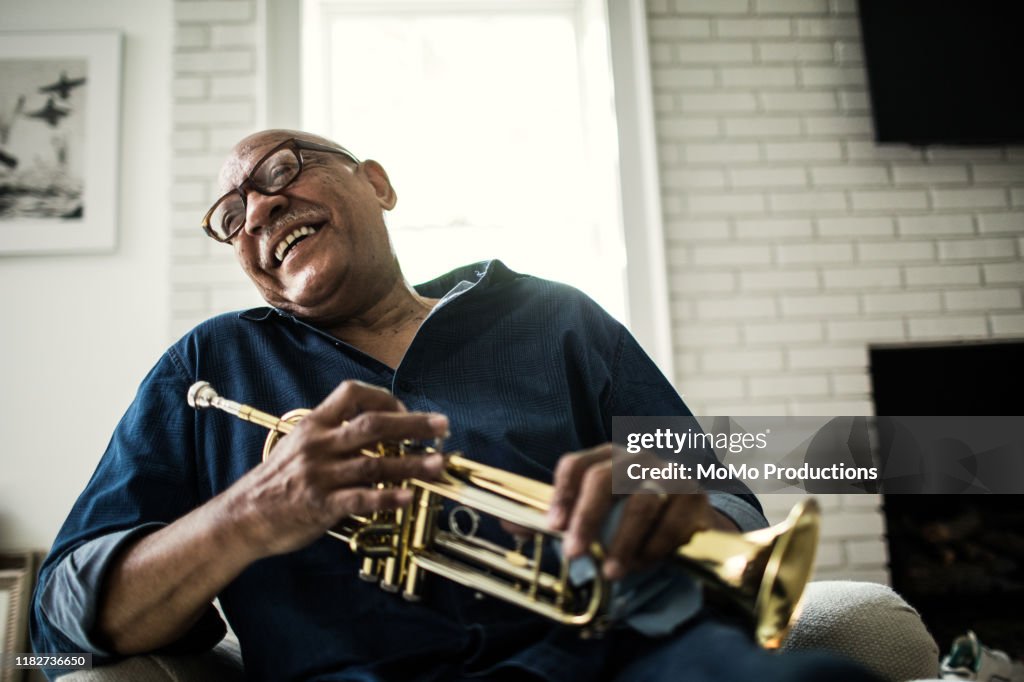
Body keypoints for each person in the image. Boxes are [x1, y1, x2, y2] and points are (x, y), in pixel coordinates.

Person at [31, 129, 878, 681]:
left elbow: (726, 499)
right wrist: (251, 515)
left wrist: (669, 505)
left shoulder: (557, 318)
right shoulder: (208, 368)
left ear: (377, 183)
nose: (258, 211)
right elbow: (60, 612)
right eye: (230, 216)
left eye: (281, 172)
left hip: (618, 665)